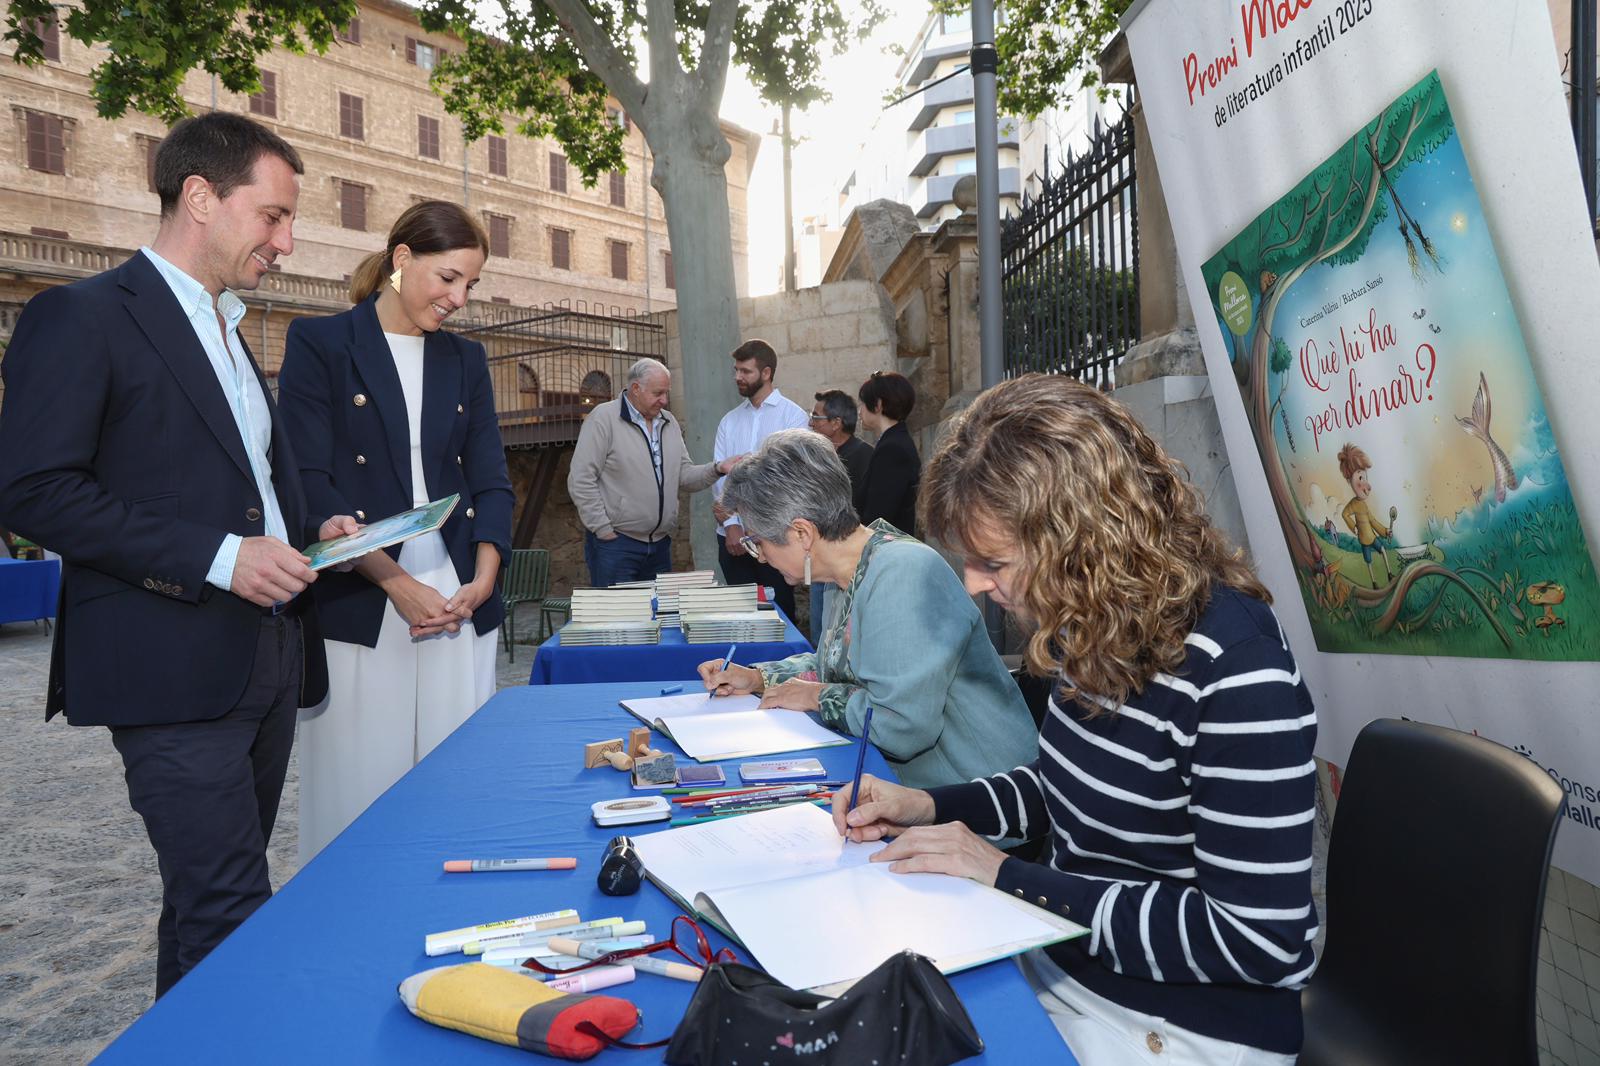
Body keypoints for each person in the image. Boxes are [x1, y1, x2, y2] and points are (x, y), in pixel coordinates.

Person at [835, 374, 1319, 1065]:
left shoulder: (1239, 672)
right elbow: (1063, 787)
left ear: (1079, 541)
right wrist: (925, 805)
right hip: (1064, 960)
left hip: (1183, 1021)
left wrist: (1005, 875)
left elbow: (1255, 942)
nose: (973, 583)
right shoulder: (1087, 623)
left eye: (991, 561)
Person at [0, 113, 359, 997]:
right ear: (200, 196)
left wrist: (316, 532)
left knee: (204, 910)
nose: (287, 239)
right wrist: (218, 556)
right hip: (167, 664)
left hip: (270, 657)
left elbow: (241, 487)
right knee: (234, 912)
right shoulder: (77, 316)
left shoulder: (233, 329)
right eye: (272, 215)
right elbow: (34, 491)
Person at [276, 200, 514, 863]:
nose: (459, 298)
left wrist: (484, 579)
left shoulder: (465, 360)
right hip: (361, 589)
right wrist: (395, 581)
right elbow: (306, 479)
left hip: (458, 593)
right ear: (401, 260)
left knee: (455, 779)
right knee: (361, 781)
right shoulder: (320, 344)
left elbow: (491, 478)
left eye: (469, 284)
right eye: (448, 278)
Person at [697, 429, 1036, 790]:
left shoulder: (902, 573)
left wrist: (816, 696)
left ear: (802, 534)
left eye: (758, 542)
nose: (760, 556)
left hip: (978, 794)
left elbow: (901, 725)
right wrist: (757, 678)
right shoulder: (843, 573)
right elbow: (834, 664)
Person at [568, 357, 739, 586]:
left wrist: (717, 468)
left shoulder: (669, 422)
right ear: (636, 389)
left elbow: (684, 476)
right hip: (616, 546)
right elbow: (580, 479)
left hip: (659, 547)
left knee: (657, 619)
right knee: (622, 620)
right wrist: (602, 529)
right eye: (658, 393)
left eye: (666, 393)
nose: (664, 400)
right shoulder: (603, 419)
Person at [714, 339, 809, 619]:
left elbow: (793, 479)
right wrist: (731, 525)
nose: (737, 377)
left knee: (778, 616)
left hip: (776, 537)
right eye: (736, 370)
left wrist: (762, 529)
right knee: (741, 619)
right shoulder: (728, 421)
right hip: (732, 540)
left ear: (766, 373)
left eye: (745, 371)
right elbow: (721, 479)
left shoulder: (793, 417)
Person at [806, 389, 872, 643]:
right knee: (819, 634)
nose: (811, 423)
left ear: (836, 423)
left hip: (847, 561)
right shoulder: (818, 457)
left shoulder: (865, 456)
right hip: (817, 556)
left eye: (817, 417)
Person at [855, 370, 921, 535]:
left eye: (862, 403)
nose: (859, 411)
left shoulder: (893, 448)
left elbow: (879, 515)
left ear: (878, 405)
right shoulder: (893, 441)